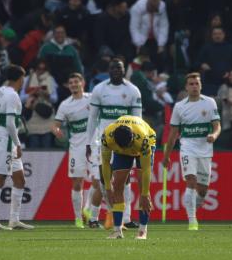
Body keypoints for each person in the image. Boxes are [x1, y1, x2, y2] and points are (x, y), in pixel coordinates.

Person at [87, 59, 143, 230]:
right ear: (108, 70)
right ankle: (93, 217)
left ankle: (125, 218)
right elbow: (93, 118)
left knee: (124, 179)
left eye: (119, 68)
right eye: (113, 68)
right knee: (103, 180)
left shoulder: (133, 90)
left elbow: (138, 120)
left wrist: (137, 143)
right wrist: (89, 142)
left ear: (124, 70)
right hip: (103, 141)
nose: (116, 71)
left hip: (126, 143)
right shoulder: (99, 89)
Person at [163, 72, 221, 231]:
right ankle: (192, 221)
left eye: (197, 83)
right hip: (188, 147)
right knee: (190, 181)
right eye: (191, 84)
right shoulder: (180, 106)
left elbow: (217, 126)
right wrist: (166, 156)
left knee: (202, 191)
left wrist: (214, 135)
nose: (194, 86)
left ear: (201, 85)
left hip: (205, 149)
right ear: (186, 87)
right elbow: (173, 132)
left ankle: (193, 208)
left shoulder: (210, 103)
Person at [0, 64, 34, 230]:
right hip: (6, 142)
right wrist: (18, 144)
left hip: (0, 138)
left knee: (20, 180)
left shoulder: (0, 90)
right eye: (23, 78)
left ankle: (14, 220)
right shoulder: (13, 96)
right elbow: (10, 123)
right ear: (20, 79)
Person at [52, 73, 97, 229]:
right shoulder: (65, 105)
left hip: (94, 145)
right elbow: (55, 124)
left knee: (98, 181)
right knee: (77, 183)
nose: (73, 84)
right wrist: (56, 130)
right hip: (76, 147)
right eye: (70, 83)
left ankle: (88, 211)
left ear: (82, 83)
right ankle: (78, 219)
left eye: (76, 82)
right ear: (68, 86)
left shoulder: (92, 98)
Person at [100, 115, 156, 240]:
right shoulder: (107, 137)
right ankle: (117, 231)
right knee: (118, 186)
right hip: (121, 150)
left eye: (128, 146)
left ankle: (142, 231)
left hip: (143, 143)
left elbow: (146, 169)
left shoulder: (143, 139)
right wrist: (108, 189)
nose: (127, 150)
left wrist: (145, 194)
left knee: (143, 187)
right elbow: (105, 163)